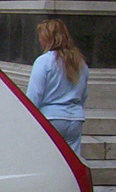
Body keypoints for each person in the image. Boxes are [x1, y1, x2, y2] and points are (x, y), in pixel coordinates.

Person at [26, 19, 89, 154]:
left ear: (46, 38)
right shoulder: (80, 62)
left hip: (50, 117)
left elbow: (34, 95)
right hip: (75, 118)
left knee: (49, 157)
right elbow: (83, 95)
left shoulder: (44, 61)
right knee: (72, 160)